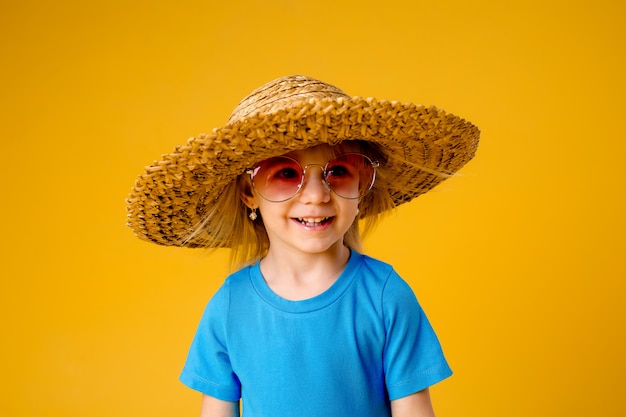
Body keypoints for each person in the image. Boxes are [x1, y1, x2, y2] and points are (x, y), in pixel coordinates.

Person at [126, 75, 480, 416]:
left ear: (362, 185)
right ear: (249, 192)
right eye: (285, 174)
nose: (316, 196)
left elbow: (414, 410)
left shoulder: (385, 296)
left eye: (339, 170)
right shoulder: (230, 305)